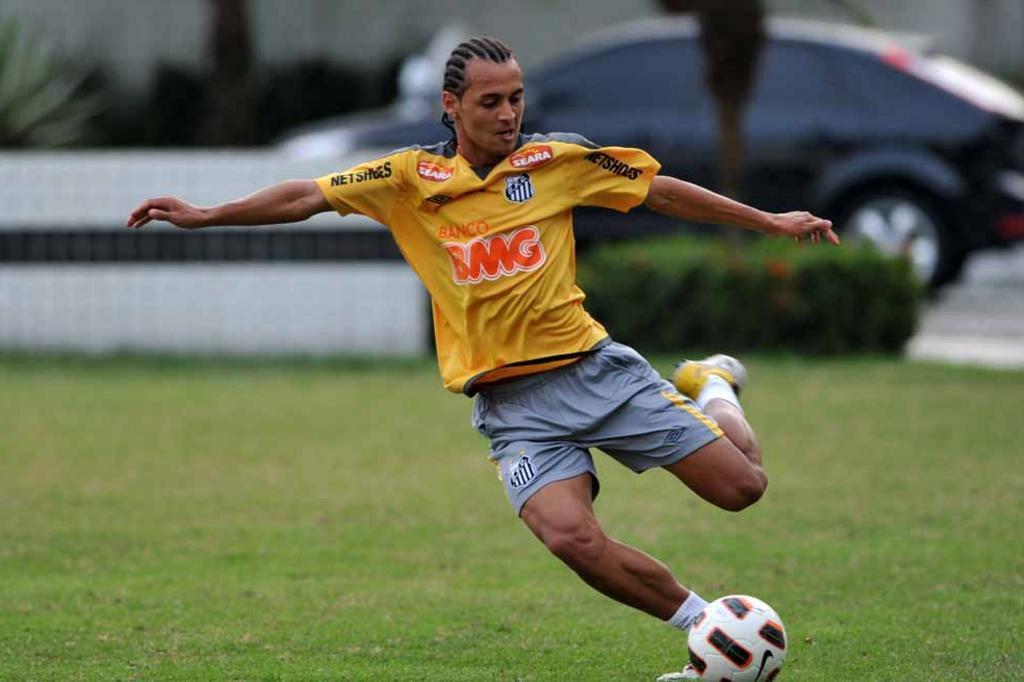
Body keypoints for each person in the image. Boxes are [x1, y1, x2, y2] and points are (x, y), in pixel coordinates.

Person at [126, 37, 838, 678]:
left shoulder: (555, 162)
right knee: (569, 537)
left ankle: (712, 384)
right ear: (451, 105)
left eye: (516, 98)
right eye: (491, 102)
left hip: (593, 371)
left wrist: (767, 220)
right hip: (511, 407)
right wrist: (208, 213)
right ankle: (705, 633)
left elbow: (661, 191)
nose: (508, 114)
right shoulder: (407, 180)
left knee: (743, 488)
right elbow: (306, 194)